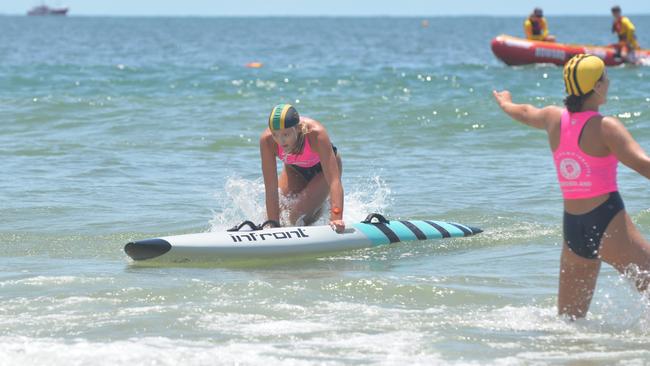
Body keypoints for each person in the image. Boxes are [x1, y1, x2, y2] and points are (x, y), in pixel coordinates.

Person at [493, 54, 650, 319]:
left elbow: (523, 112)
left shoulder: (553, 118)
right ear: (597, 87)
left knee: (569, 322)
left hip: (573, 228)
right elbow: (644, 165)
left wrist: (505, 102)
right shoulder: (605, 127)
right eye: (605, 77)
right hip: (607, 220)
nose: (609, 82)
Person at [259, 104, 345, 232]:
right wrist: (273, 226)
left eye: (286, 134)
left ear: (298, 128)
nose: (280, 141)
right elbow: (271, 188)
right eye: (275, 134)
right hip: (294, 169)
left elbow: (334, 181)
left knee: (295, 217)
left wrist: (337, 217)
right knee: (281, 217)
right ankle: (317, 206)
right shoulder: (267, 141)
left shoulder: (316, 134)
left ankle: (320, 207)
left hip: (322, 171)